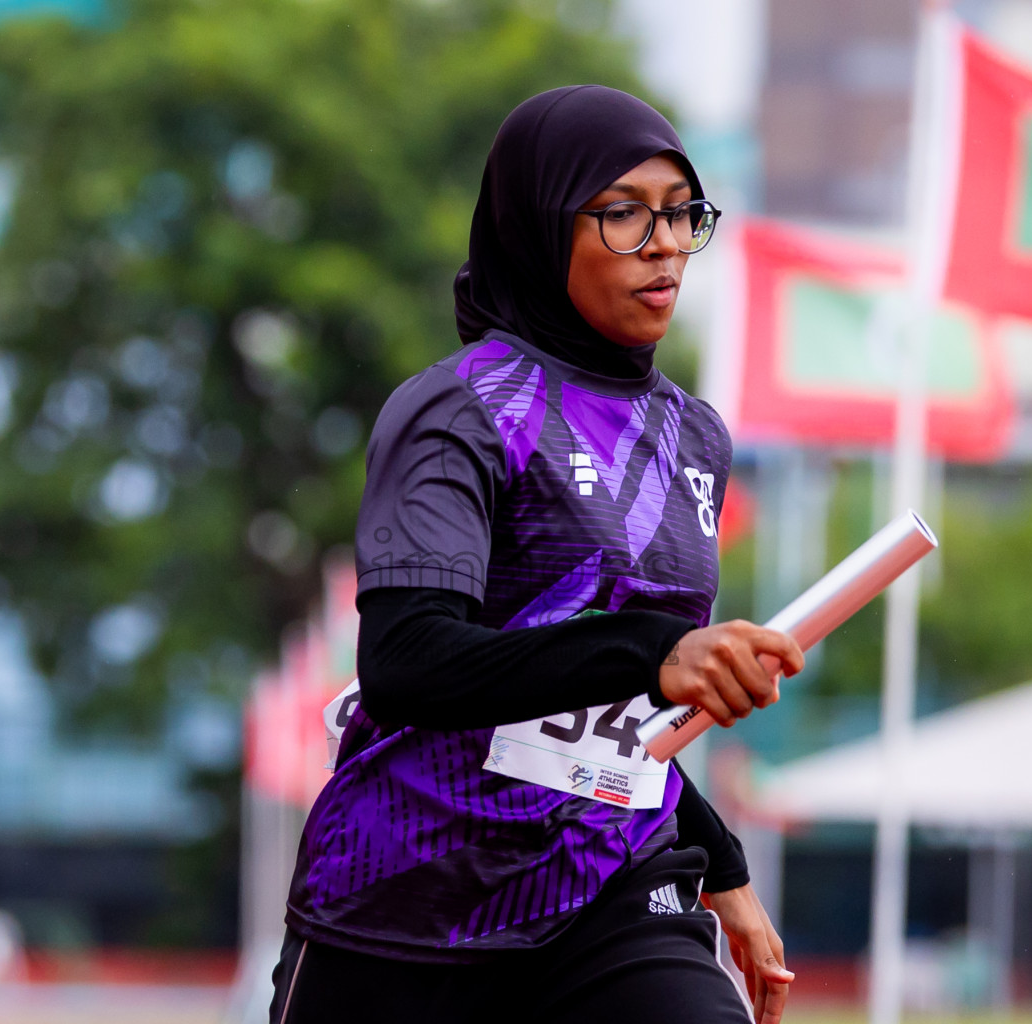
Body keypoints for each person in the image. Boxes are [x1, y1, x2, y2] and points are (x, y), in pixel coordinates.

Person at [270, 85, 805, 1024]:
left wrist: (719, 862)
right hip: (411, 899)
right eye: (625, 214)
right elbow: (406, 663)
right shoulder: (461, 410)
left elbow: (608, 719)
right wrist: (651, 649)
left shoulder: (695, 439)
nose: (668, 243)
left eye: (683, 213)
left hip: (614, 883)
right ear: (541, 227)